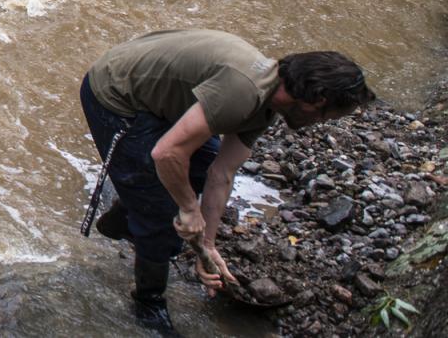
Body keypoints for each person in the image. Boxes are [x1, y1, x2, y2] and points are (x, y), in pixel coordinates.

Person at [80, 29, 373, 335]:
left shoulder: (268, 106)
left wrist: (207, 245)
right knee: (159, 212)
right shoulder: (244, 92)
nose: (321, 124)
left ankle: (126, 220)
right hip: (116, 91)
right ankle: (148, 303)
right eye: (326, 117)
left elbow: (222, 173)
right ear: (317, 100)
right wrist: (190, 210)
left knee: (201, 163)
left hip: (158, 96)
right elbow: (166, 153)